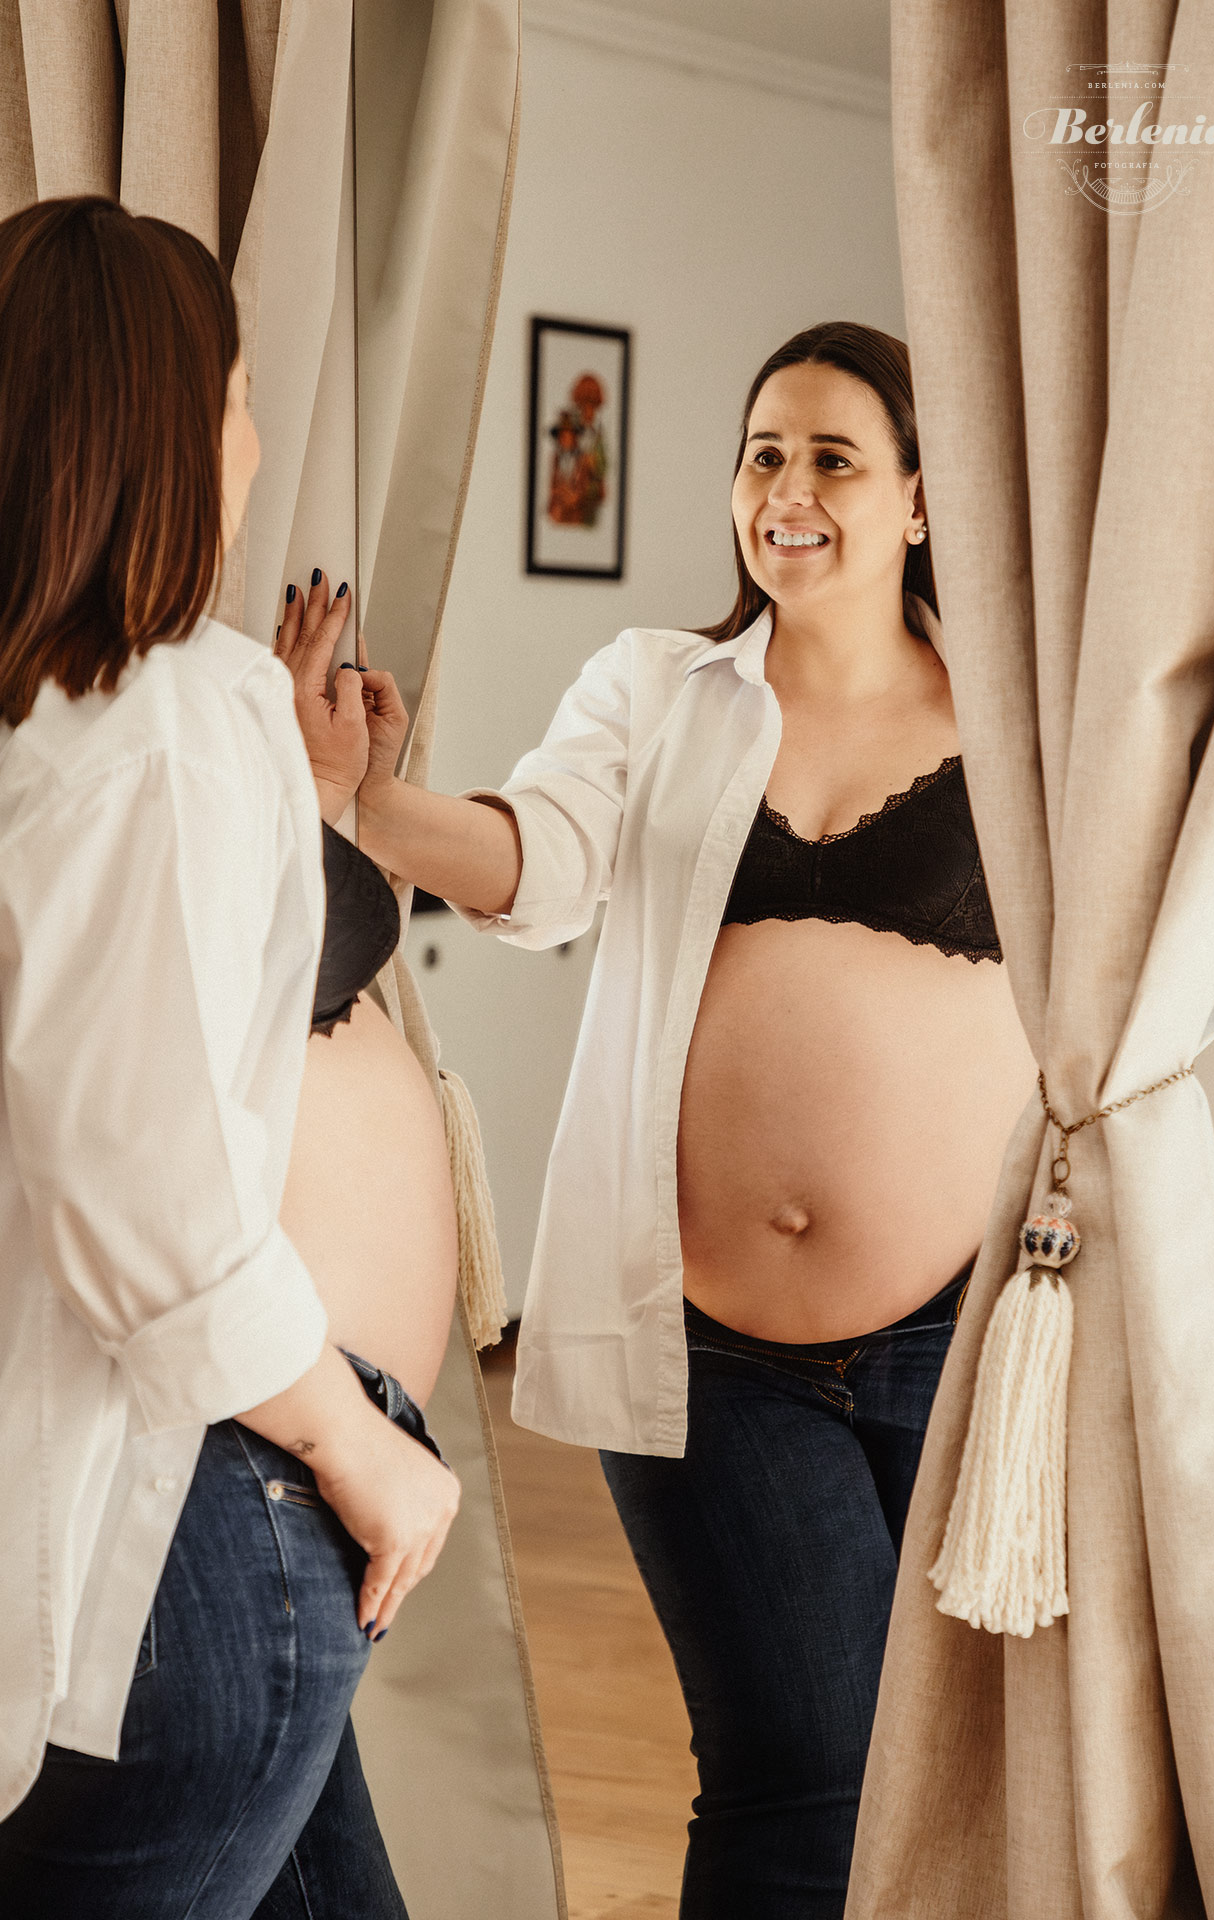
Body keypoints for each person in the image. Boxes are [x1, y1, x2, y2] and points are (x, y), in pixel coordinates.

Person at [283, 322, 1037, 1918]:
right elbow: (539, 862)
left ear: (920, 499)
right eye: (764, 455)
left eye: (834, 458)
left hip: (964, 1341)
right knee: (803, 1766)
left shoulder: (1021, 713)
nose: (786, 490)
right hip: (705, 1352)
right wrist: (369, 803)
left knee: (950, 1781)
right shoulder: (657, 688)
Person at [0, 196, 459, 1920]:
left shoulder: (58, 718)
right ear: (171, 425)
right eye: (244, 392)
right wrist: (355, 1445)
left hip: (185, 1504)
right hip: (206, 1512)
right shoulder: (167, 710)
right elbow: (145, 1191)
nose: (256, 440)